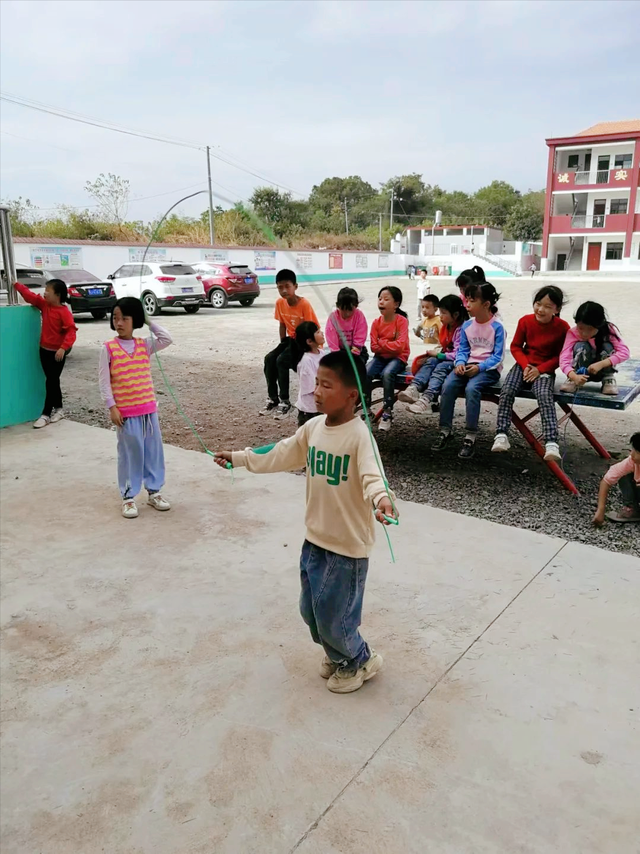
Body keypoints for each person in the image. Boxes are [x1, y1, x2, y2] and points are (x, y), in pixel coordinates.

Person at [214, 350, 397, 694]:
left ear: (352, 395)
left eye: (326, 385)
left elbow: (374, 476)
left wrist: (382, 499)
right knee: (310, 611)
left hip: (347, 549)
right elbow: (280, 453)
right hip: (315, 541)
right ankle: (338, 652)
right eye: (316, 382)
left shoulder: (359, 436)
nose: (316, 391)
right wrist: (239, 458)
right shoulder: (312, 428)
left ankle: (358, 659)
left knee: (334, 614)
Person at [99, 297, 173, 519]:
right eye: (115, 318)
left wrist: (148, 321)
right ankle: (128, 496)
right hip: (126, 414)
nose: (119, 323)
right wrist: (112, 407)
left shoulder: (144, 345)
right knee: (130, 454)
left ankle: (154, 492)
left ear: (135, 320)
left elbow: (167, 338)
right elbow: (104, 382)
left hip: (148, 412)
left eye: (125, 318)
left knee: (153, 452)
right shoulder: (108, 348)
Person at [492, 286, 569, 462]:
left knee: (544, 395)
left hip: (544, 368)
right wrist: (525, 365)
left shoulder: (562, 327)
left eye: (548, 306)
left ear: (556, 309)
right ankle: (501, 434)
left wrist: (539, 370)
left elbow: (561, 356)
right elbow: (516, 346)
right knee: (507, 390)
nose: (541, 309)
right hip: (524, 365)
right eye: (538, 304)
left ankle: (551, 442)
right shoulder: (525, 321)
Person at [432, 281, 505, 459]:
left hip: (488, 369)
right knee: (448, 386)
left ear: (486, 304)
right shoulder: (467, 326)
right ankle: (445, 430)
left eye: (472, 301)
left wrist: (480, 367)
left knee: (472, 389)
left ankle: (470, 435)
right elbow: (463, 350)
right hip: (466, 366)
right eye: (467, 300)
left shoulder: (497, 327)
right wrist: (459, 362)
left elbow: (498, 356)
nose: (467, 305)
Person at [14, 278, 77, 429]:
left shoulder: (64, 312)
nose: (45, 293)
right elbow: (30, 296)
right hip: (44, 351)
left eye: (48, 290)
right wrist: (16, 285)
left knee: (51, 381)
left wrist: (63, 348)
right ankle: (59, 409)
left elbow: (71, 331)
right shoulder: (44, 305)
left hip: (57, 354)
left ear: (58, 295)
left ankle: (46, 414)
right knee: (52, 380)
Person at [262, 270, 319, 417]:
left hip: (303, 341)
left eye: (287, 286)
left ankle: (285, 401)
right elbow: (282, 324)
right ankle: (273, 398)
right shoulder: (280, 303)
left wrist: (311, 348)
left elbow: (312, 328)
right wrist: (282, 344)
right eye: (280, 287)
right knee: (269, 359)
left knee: (282, 361)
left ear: (295, 286)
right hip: (289, 340)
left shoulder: (304, 304)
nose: (284, 290)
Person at [400, 293, 469, 413]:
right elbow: (444, 346)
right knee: (430, 361)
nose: (440, 316)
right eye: (440, 312)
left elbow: (459, 354)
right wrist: (435, 354)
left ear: (456, 314)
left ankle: (427, 399)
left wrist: (439, 355)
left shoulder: (461, 330)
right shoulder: (446, 326)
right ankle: (414, 387)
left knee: (440, 369)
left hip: (458, 361)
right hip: (446, 355)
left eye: (443, 313)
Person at [559, 301, 629, 396]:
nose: (584, 333)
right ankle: (573, 380)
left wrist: (602, 364)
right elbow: (564, 358)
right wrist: (573, 375)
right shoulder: (573, 333)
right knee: (581, 346)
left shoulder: (608, 331)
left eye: (590, 329)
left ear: (599, 325)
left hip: (602, 370)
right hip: (581, 372)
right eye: (581, 328)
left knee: (607, 346)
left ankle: (608, 378)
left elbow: (624, 352)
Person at [366, 286, 410, 432]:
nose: (381, 302)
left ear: (396, 304)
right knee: (366, 372)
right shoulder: (376, 323)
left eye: (386, 299)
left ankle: (387, 412)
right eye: (379, 299)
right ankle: (367, 409)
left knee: (387, 373)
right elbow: (373, 347)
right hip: (380, 358)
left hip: (398, 358)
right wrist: (388, 344)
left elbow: (400, 347)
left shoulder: (401, 321)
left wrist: (382, 343)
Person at [593, 433, 640, 525]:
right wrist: (600, 510)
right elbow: (606, 481)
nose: (631, 454)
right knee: (623, 473)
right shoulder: (632, 461)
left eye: (636, 452)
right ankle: (632, 508)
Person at [325, 286, 368, 364]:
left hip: (357, 351)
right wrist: (338, 357)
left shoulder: (359, 316)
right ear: (338, 306)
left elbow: (360, 336)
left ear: (356, 306)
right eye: (343, 309)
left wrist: (353, 356)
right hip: (340, 352)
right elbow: (332, 340)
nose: (347, 313)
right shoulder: (333, 318)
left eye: (350, 310)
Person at [294, 320, 325, 427]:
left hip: (320, 405)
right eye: (318, 332)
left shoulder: (322, 353)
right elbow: (311, 386)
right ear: (309, 341)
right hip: (310, 409)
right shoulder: (306, 361)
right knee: (307, 434)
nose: (322, 333)